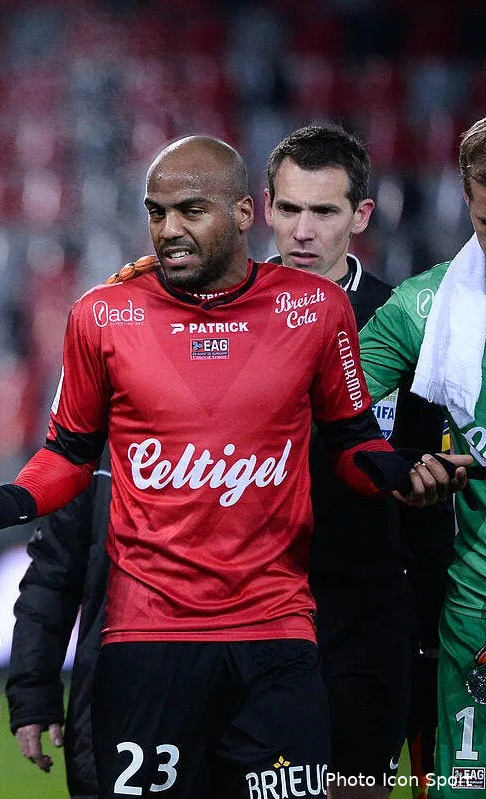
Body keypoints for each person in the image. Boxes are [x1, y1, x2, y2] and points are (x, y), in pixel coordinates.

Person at [0, 135, 470, 798]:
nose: (168, 229)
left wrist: (402, 476)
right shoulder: (105, 314)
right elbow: (67, 460)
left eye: (189, 211)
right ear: (267, 210)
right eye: (157, 213)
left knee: (354, 789)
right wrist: (1, 502)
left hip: (306, 631)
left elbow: (356, 446)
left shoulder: (340, 315)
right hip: (150, 638)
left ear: (243, 213)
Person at [264, 124, 454, 798]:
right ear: (266, 209)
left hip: (371, 613)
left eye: (325, 211)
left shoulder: (404, 325)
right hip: (257, 610)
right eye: (290, 209)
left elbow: (433, 501)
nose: (304, 230)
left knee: (356, 790)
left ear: (362, 216)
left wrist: (433, 645)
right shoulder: (221, 321)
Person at [357, 115, 486, 798]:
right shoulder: (421, 309)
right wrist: (397, 467)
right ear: (468, 196)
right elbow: (332, 413)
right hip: (475, 608)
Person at [6, 451, 111, 799]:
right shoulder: (97, 454)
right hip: (116, 685)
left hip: (254, 674)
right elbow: (52, 576)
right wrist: (32, 692)